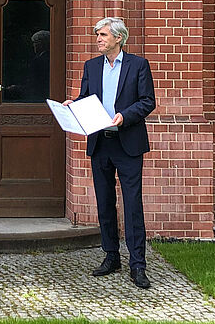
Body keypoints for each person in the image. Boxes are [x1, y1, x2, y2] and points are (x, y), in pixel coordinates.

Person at [65, 17, 155, 289]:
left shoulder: (138, 65)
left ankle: (138, 265)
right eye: (97, 35)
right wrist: (73, 104)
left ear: (119, 37)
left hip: (127, 143)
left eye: (103, 35)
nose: (98, 39)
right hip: (100, 143)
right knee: (104, 202)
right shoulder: (91, 66)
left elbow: (147, 101)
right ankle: (111, 256)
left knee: (132, 204)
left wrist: (124, 116)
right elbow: (87, 98)